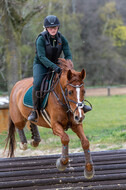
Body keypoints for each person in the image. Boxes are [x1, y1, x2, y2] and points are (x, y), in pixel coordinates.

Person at [28, 15, 91, 122]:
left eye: (55, 28)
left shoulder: (62, 38)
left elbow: (68, 54)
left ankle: (80, 105)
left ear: (58, 28)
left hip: (57, 63)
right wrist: (54, 67)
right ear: (46, 28)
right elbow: (42, 57)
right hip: (41, 64)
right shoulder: (41, 39)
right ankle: (35, 110)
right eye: (50, 28)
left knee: (72, 82)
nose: (53, 30)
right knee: (38, 83)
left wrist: (69, 65)